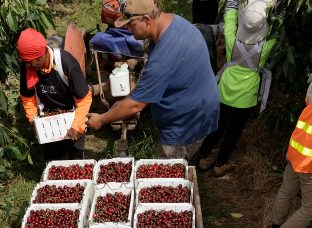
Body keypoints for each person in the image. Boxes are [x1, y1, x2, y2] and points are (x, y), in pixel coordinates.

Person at [87, 0, 220, 162]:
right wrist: (126, 101)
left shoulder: (162, 59)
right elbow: (146, 84)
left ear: (146, 20)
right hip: (200, 102)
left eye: (130, 24)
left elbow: (137, 105)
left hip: (186, 123)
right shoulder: (176, 21)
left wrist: (102, 119)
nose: (127, 29)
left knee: (167, 174)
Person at [198, 0, 276, 177]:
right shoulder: (265, 47)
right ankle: (220, 163)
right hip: (246, 98)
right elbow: (277, 29)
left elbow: (230, 16)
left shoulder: (232, 41)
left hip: (224, 92)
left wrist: (232, 3)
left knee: (217, 126)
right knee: (234, 131)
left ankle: (203, 157)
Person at [17, 28, 92, 160]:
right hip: (48, 117)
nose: (27, 66)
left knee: (76, 162)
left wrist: (77, 125)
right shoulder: (28, 66)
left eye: (30, 62)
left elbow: (84, 99)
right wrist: (34, 121)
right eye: (25, 62)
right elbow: (27, 97)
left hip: (72, 113)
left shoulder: (67, 64)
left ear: (42, 55)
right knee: (53, 161)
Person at [261, 83, 312, 228]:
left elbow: (308, 99)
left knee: (286, 191)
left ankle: (275, 227)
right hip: (309, 164)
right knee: (309, 209)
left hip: (297, 152)